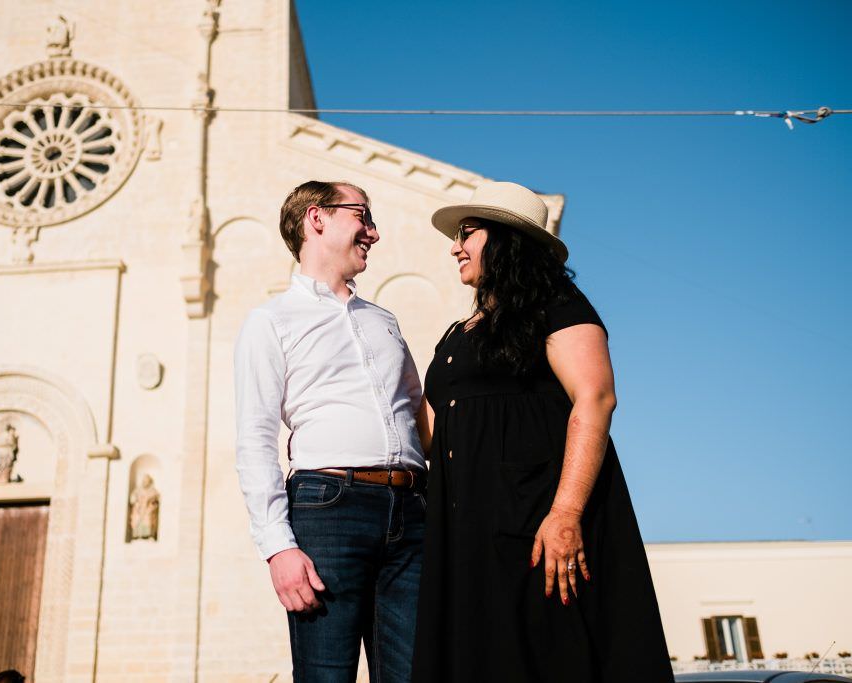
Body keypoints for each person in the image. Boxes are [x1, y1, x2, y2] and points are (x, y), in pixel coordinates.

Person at [411, 181, 673, 682]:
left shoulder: (556, 304)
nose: (454, 246)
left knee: (545, 654)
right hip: (465, 534)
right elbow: (432, 430)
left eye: (468, 233)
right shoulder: (457, 333)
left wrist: (566, 513)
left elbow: (595, 399)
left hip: (535, 525)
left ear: (507, 239)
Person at [235, 180, 427, 682]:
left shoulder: (384, 322)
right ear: (316, 219)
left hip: (412, 512)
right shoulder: (270, 321)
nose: (374, 232)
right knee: (327, 675)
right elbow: (255, 439)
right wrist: (278, 547)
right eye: (362, 216)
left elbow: (419, 414)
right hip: (328, 509)